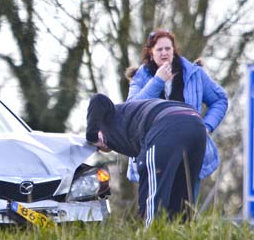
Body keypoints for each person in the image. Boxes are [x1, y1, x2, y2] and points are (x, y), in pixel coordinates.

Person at [126, 29, 228, 201]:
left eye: (168, 48)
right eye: (159, 49)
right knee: (156, 208)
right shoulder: (141, 77)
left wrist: (206, 127)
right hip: (154, 151)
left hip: (188, 150)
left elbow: (220, 100)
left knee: (185, 207)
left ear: (174, 50)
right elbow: (131, 108)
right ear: (151, 53)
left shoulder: (194, 74)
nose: (164, 53)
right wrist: (157, 81)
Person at [86, 94, 207, 225]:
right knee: (183, 191)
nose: (102, 148)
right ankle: (182, 232)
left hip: (166, 123)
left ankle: (149, 234)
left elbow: (98, 99)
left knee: (152, 188)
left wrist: (92, 135)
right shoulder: (128, 120)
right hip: (196, 123)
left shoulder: (109, 116)